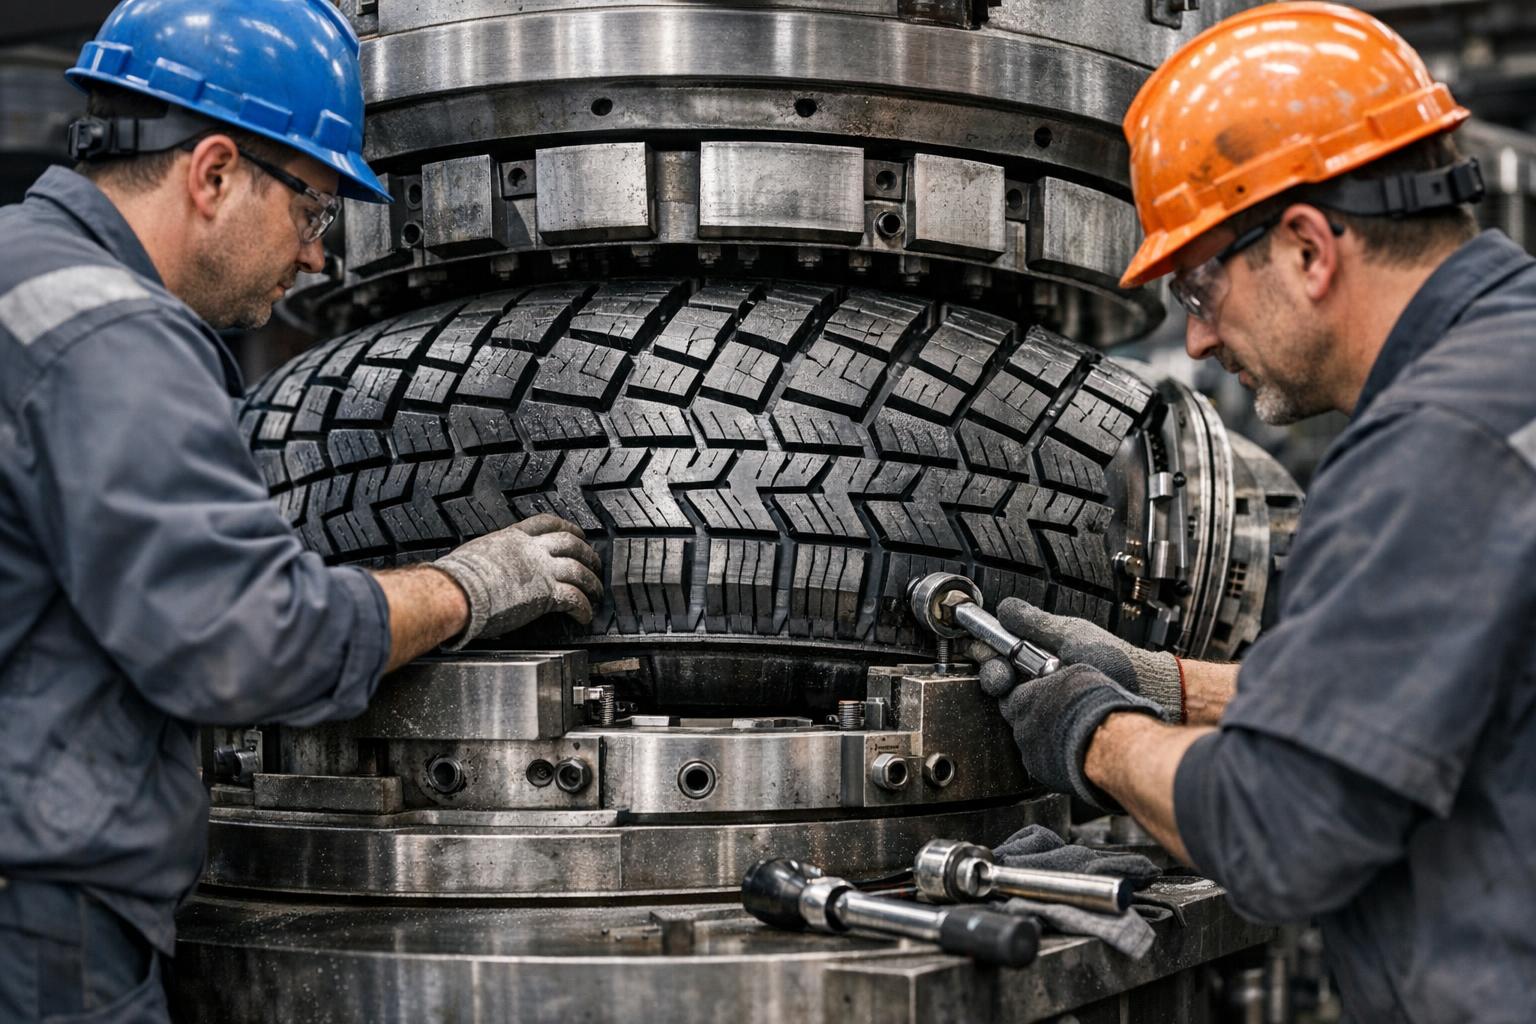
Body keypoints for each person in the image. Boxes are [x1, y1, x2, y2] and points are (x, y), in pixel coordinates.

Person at [0, 1, 601, 1019]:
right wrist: (463, 587)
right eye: (313, 210)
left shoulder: (21, 271)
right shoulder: (110, 336)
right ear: (214, 173)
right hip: (38, 937)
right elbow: (246, 642)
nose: (317, 256)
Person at [975, 3, 1536, 1021]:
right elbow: (1426, 684)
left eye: (1199, 285)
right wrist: (1167, 684)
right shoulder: (1508, 374)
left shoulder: (1436, 447)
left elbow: (1279, 829)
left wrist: (1096, 732)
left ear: (1309, 247)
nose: (1194, 340)